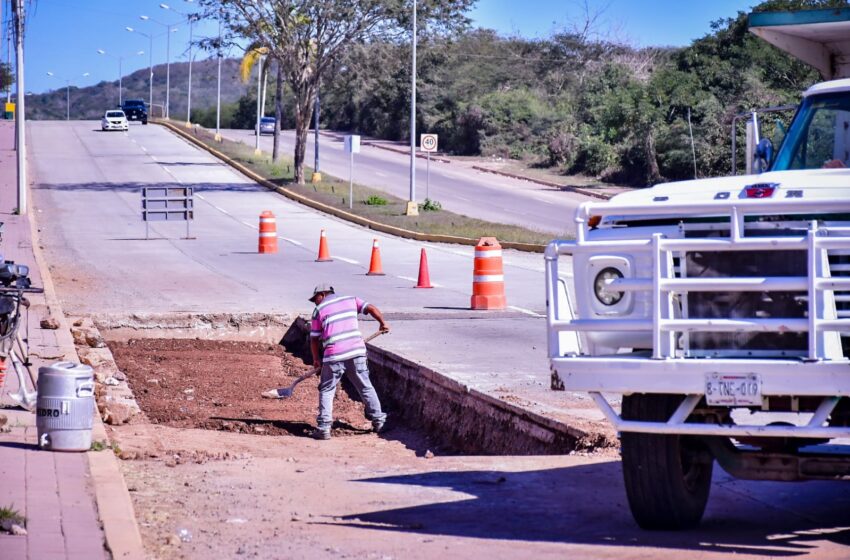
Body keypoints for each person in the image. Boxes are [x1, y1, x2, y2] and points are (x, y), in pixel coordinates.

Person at [307, 284, 389, 440]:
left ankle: (324, 427)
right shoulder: (351, 300)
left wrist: (316, 359)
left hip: (333, 355)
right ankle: (379, 421)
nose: (315, 303)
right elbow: (370, 308)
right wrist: (382, 322)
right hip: (356, 352)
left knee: (327, 389)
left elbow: (314, 339)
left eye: (315, 299)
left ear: (323, 294)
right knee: (365, 386)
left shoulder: (319, 310)